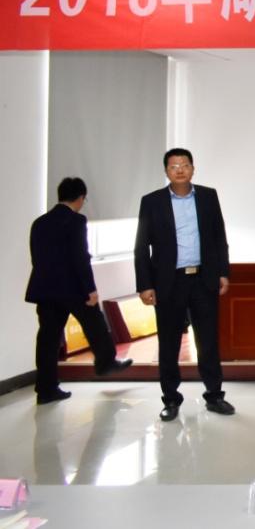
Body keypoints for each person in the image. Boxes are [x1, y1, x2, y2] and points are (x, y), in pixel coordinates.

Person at [134, 148, 233, 422]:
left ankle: (214, 395)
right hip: (169, 282)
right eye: (174, 165)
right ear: (166, 171)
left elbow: (219, 236)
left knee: (208, 341)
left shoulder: (208, 196)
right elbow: (141, 246)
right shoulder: (152, 202)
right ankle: (170, 399)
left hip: (203, 279)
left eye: (185, 164)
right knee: (169, 343)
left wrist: (223, 272)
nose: (179, 169)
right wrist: (145, 285)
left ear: (193, 168)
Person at [26, 177, 132, 405]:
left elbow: (36, 257)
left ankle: (46, 389)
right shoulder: (76, 221)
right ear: (81, 198)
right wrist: (90, 289)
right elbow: (80, 257)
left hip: (45, 288)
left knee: (47, 339)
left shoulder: (39, 222)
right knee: (95, 324)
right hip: (73, 288)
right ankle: (106, 363)